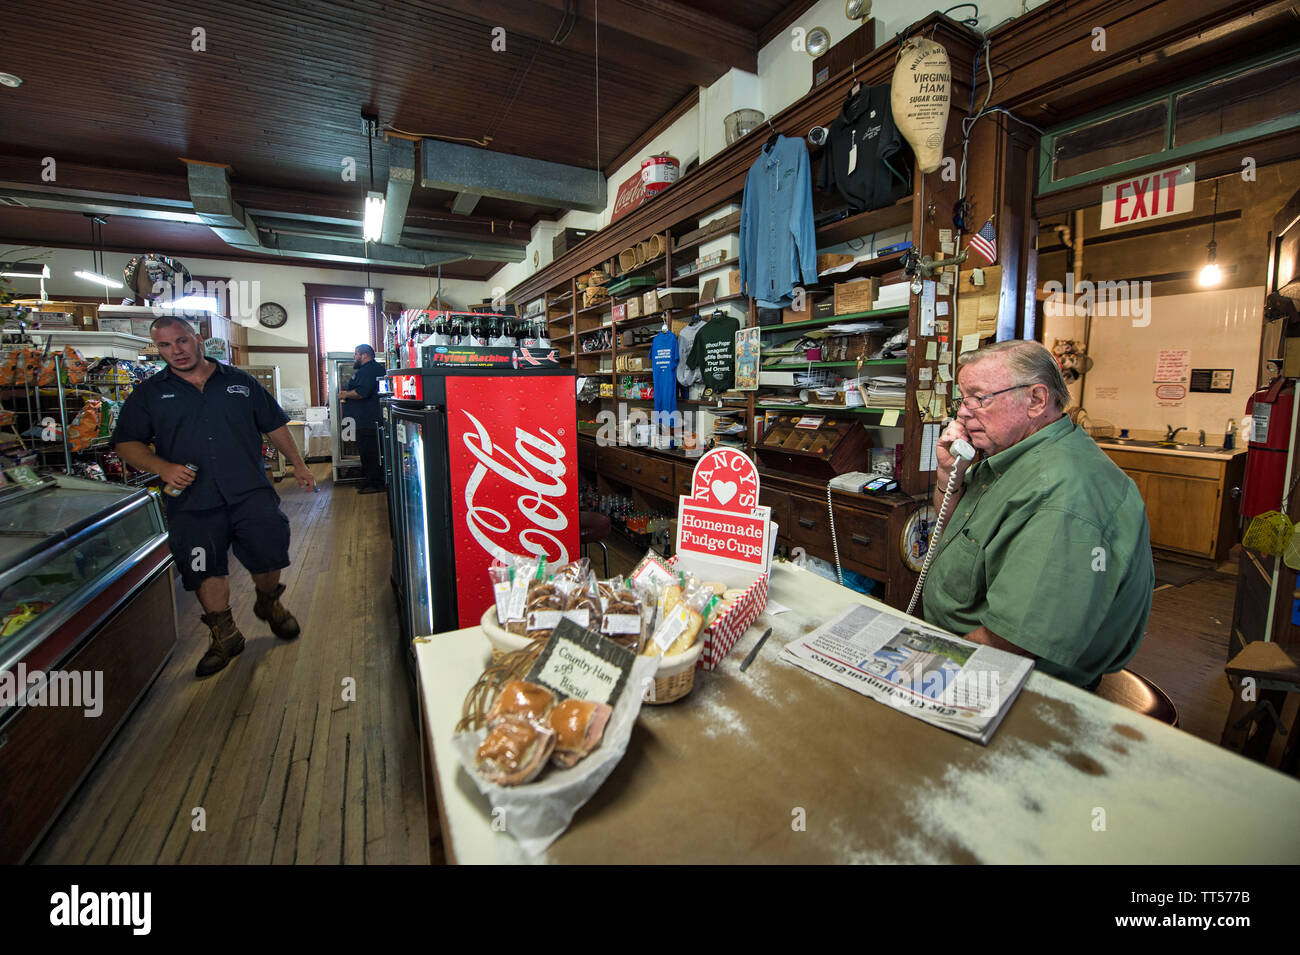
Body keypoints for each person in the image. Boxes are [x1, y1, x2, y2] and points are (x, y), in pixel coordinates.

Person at [923, 340, 1154, 689]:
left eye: (979, 398)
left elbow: (1010, 643)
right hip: (968, 647)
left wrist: (924, 674)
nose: (963, 414)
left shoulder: (1064, 496)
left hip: (1015, 680)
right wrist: (948, 477)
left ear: (1036, 400)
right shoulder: (1010, 456)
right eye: (963, 400)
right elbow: (950, 526)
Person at [113, 315, 316, 678]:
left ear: (198, 338)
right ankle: (225, 635)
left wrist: (298, 465)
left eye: (181, 341)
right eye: (164, 345)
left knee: (270, 553)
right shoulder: (149, 393)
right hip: (192, 500)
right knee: (203, 566)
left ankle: (269, 603)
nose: (175, 351)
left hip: (249, 489)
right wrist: (161, 467)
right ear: (157, 348)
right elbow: (127, 443)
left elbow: (274, 425)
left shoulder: (240, 383)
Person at [338, 343, 386, 494]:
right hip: (362, 420)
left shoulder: (371, 369)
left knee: (371, 453)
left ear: (364, 355)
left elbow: (362, 392)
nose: (355, 358)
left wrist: (345, 394)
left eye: (356, 354)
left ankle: (376, 484)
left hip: (369, 420)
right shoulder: (364, 370)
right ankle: (369, 479)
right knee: (365, 453)